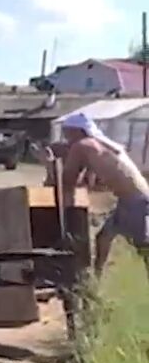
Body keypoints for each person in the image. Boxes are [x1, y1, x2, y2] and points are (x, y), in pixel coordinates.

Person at [50, 112, 149, 276]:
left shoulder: (82, 145)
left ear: (77, 131)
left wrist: (49, 162)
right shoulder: (100, 145)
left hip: (133, 201)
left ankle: (96, 277)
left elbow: (68, 180)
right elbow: (88, 182)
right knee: (103, 237)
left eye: (67, 132)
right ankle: (97, 278)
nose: (66, 137)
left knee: (144, 247)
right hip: (131, 199)